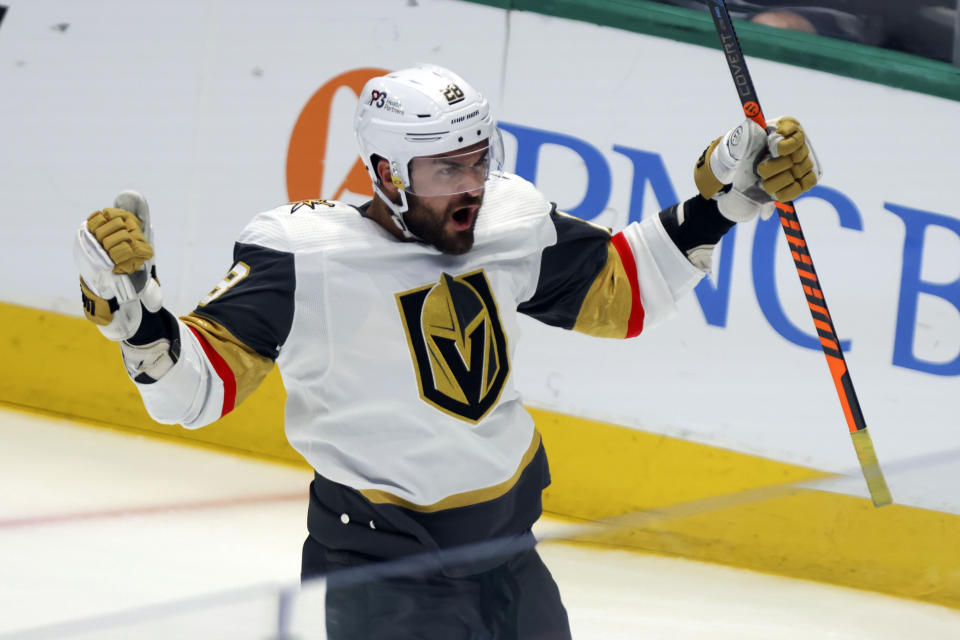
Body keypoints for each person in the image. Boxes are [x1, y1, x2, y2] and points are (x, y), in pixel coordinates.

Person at [73, 64, 821, 639]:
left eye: (476, 160)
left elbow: (623, 292)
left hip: (508, 553)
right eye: (444, 171)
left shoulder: (509, 218)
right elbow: (195, 395)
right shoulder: (302, 256)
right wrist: (138, 322)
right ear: (386, 175)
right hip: (384, 570)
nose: (469, 187)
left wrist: (724, 201)